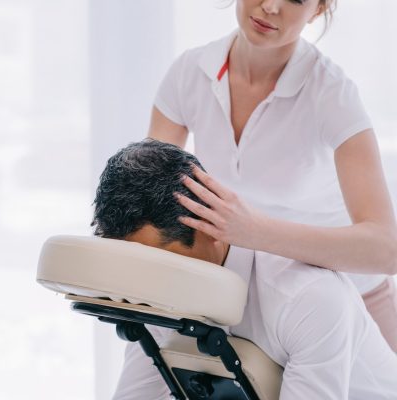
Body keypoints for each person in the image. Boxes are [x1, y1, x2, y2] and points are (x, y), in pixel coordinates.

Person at [148, 0, 397, 351]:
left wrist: (254, 231)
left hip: (352, 301)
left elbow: (386, 250)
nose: (271, 6)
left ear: (318, 10)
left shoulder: (332, 93)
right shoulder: (190, 72)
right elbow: (147, 196)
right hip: (244, 299)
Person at [91, 139, 397, 400]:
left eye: (159, 265)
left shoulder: (309, 297)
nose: (148, 287)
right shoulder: (156, 291)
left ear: (209, 227)